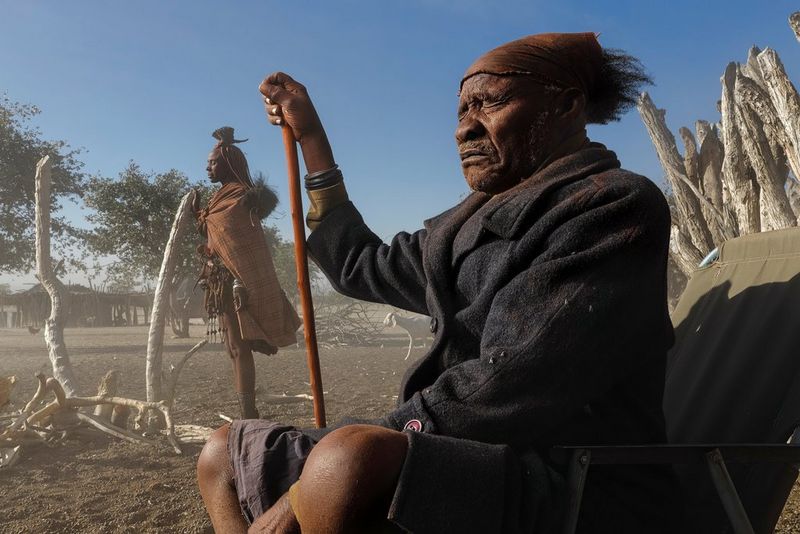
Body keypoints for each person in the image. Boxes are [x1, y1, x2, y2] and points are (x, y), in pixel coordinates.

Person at [198, 33, 683, 533]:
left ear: (566, 105)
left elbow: (509, 380)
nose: (464, 129)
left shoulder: (612, 206)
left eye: (489, 103)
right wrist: (312, 139)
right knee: (223, 453)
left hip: (570, 481)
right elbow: (359, 264)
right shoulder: (467, 222)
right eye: (461, 111)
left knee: (346, 462)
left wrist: (322, 477)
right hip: (463, 451)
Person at [194, 127, 301, 420]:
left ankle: (248, 413)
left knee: (239, 348)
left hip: (235, 282)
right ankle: (246, 410)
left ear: (229, 163)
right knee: (232, 347)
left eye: (213, 162)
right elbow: (216, 236)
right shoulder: (221, 196)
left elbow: (236, 241)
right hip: (219, 281)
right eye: (208, 163)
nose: (207, 167)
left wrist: (202, 218)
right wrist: (199, 216)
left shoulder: (240, 196)